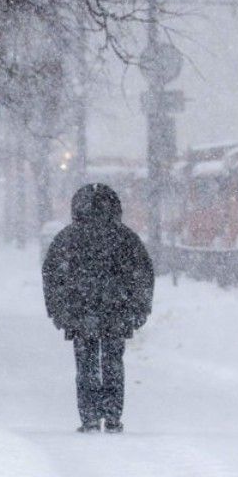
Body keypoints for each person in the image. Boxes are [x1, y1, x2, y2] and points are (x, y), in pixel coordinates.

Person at [42, 183, 154, 433]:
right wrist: (137, 311)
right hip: (117, 313)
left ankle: (89, 417)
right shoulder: (126, 238)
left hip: (80, 314)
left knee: (85, 364)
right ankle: (113, 416)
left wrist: (59, 312)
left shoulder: (67, 238)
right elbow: (143, 275)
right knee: (113, 362)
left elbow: (52, 277)